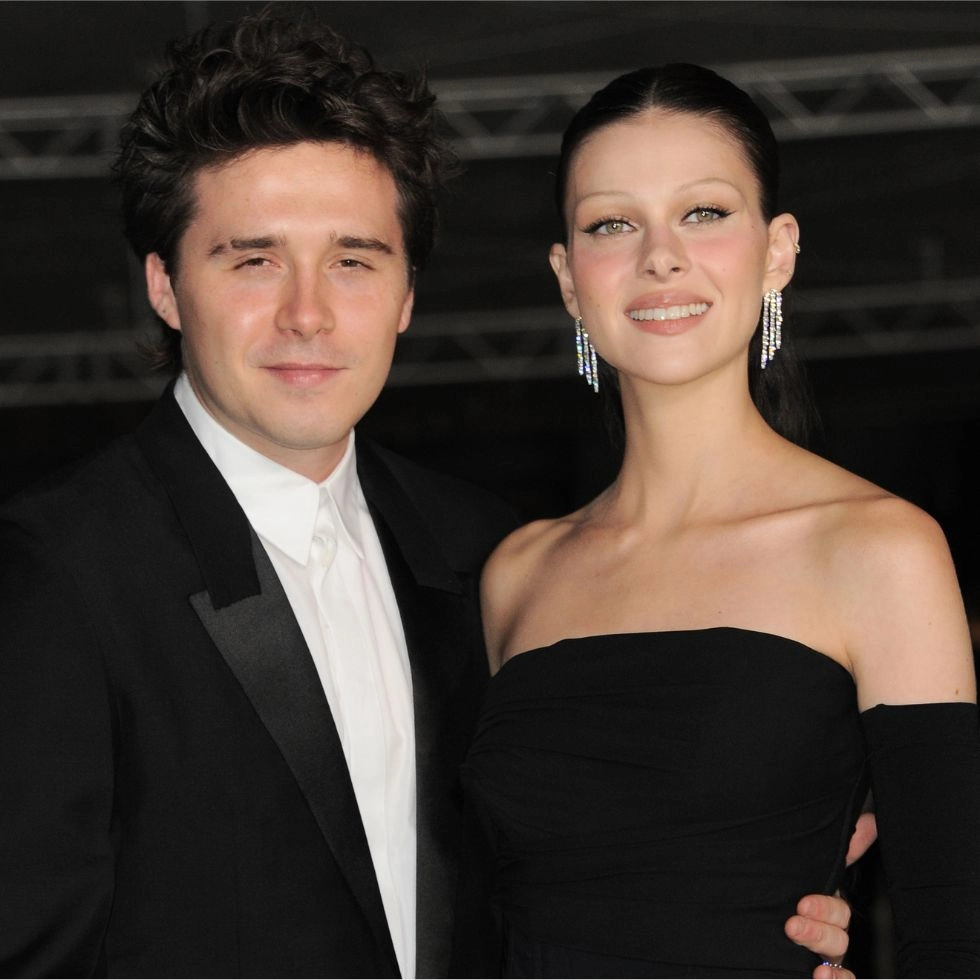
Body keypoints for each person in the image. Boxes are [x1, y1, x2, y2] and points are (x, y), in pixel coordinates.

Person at [0, 11, 860, 977]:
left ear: (407, 294)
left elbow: (569, 865)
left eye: (353, 261)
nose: (308, 314)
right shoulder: (54, 573)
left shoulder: (485, 553)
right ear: (164, 287)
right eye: (253, 260)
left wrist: (766, 882)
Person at [465, 63, 980, 978]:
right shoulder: (518, 572)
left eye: (703, 212)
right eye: (612, 224)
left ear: (778, 251)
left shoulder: (877, 548)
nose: (660, 257)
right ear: (569, 279)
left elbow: (956, 932)